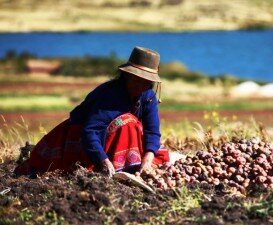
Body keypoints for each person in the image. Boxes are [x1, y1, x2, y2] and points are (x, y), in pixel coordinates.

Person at [14, 46, 170, 177]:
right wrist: (103, 161)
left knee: (153, 147)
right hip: (84, 139)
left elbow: (152, 131)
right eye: (137, 80)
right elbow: (90, 131)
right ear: (127, 76)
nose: (140, 86)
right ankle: (121, 164)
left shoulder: (148, 96)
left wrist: (147, 161)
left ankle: (129, 163)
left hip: (113, 139)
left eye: (146, 82)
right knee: (128, 123)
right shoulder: (111, 95)